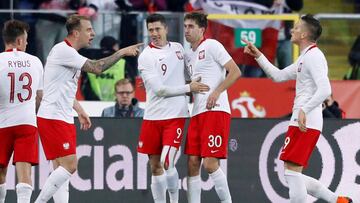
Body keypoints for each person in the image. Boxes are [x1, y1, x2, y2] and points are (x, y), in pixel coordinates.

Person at [243, 14, 352, 203]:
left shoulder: (315, 57)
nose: (292, 30)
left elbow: (325, 89)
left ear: (303, 35)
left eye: (296, 27)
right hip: (303, 119)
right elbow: (277, 76)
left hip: (306, 120)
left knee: (292, 174)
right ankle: (337, 200)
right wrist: (258, 55)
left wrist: (304, 109)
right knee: (292, 174)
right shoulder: (306, 57)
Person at [35, 14, 142, 203]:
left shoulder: (70, 54)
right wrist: (121, 52)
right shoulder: (63, 51)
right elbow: (97, 67)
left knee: (61, 171)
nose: (93, 33)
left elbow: (61, 87)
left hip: (60, 115)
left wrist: (79, 109)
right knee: (70, 165)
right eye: (89, 30)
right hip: (54, 117)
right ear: (76, 33)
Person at [137, 13, 210, 203]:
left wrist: (195, 84)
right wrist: (188, 88)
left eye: (157, 29)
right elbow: (160, 90)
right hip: (152, 116)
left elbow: (190, 75)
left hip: (175, 116)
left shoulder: (178, 49)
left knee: (166, 161)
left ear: (166, 29)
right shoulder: (146, 56)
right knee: (155, 167)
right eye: (151, 30)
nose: (154, 33)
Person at [183, 12, 241, 203]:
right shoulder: (189, 54)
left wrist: (216, 92)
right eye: (185, 26)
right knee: (192, 163)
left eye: (191, 26)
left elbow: (235, 71)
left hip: (215, 110)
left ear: (202, 29)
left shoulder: (213, 45)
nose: (186, 30)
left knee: (209, 163)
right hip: (197, 112)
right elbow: (191, 82)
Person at [0, 19, 43, 203]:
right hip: (27, 122)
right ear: (18, 41)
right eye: (25, 40)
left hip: (2, 122)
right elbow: (40, 96)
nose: (26, 43)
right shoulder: (35, 61)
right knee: (24, 173)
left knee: (1, 172)